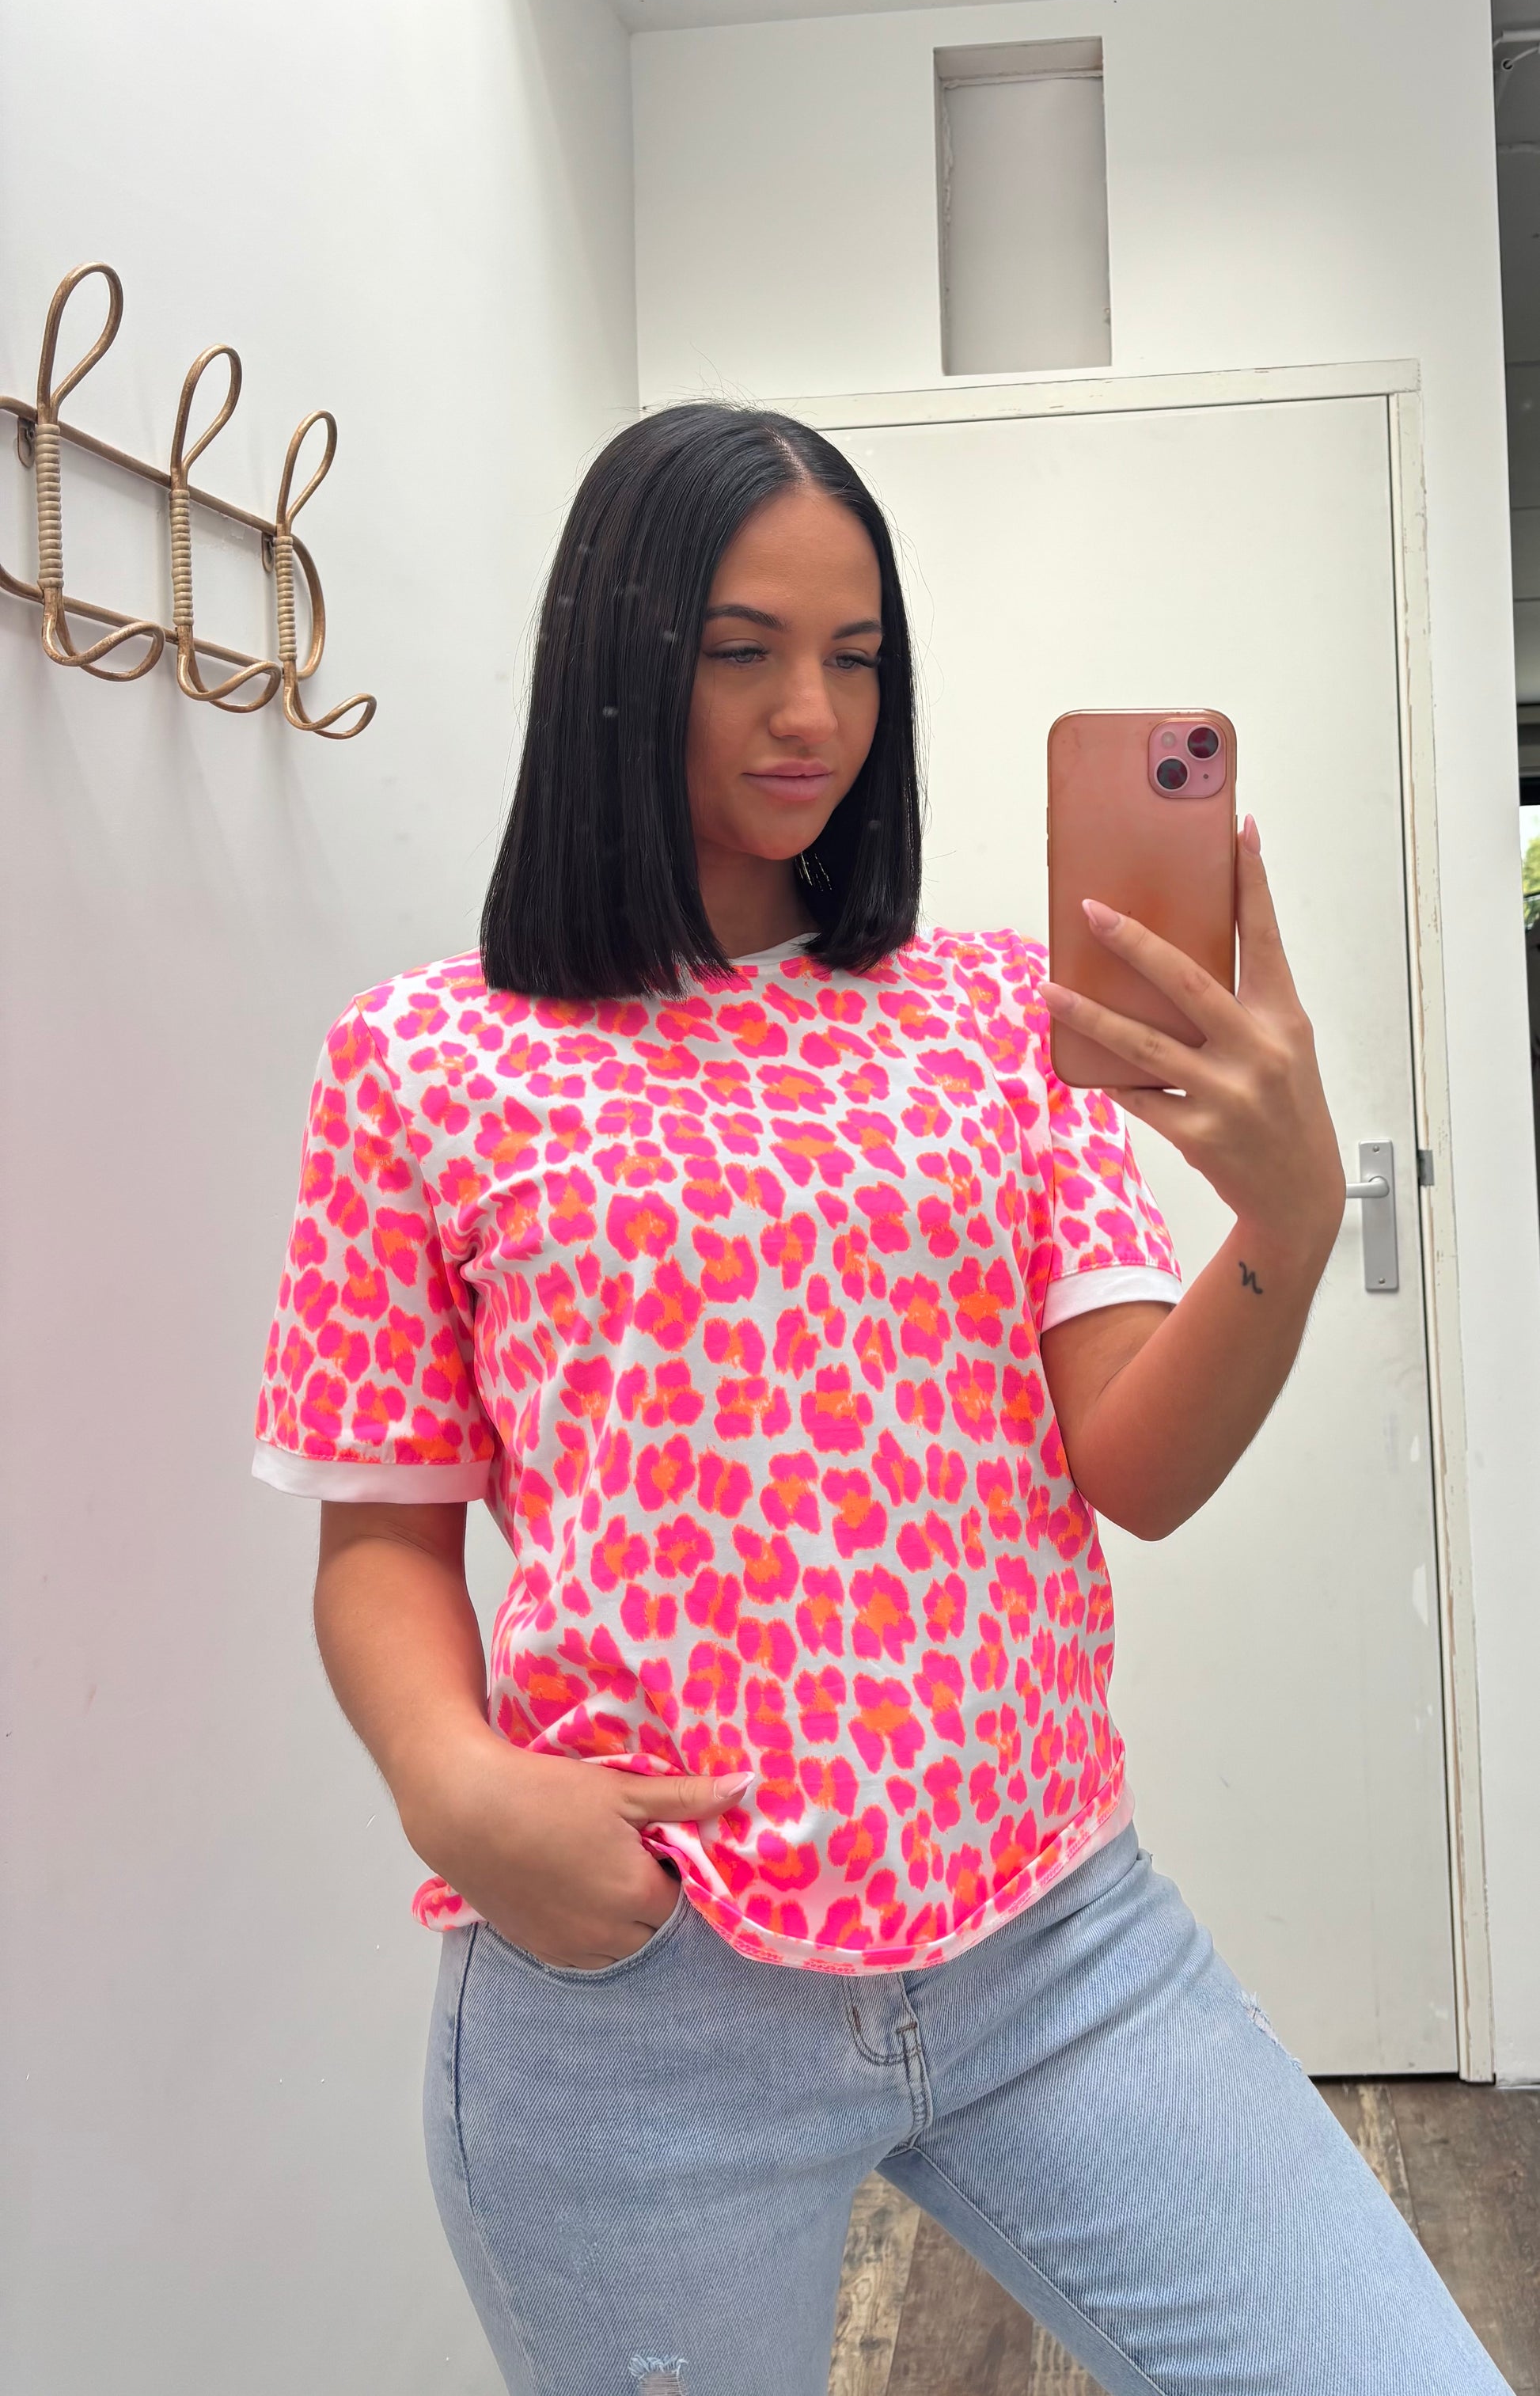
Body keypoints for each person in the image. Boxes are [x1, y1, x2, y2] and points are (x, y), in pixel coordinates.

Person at [255, 405, 1507, 2395]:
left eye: (854, 656)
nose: (809, 715)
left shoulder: (1001, 1014)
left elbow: (1135, 1465)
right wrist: (450, 1781)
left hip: (1053, 1943)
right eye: (740, 649)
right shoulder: (423, 1058)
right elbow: (380, 1534)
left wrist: (1281, 1219)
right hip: (641, 1989)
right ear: (614, 653)